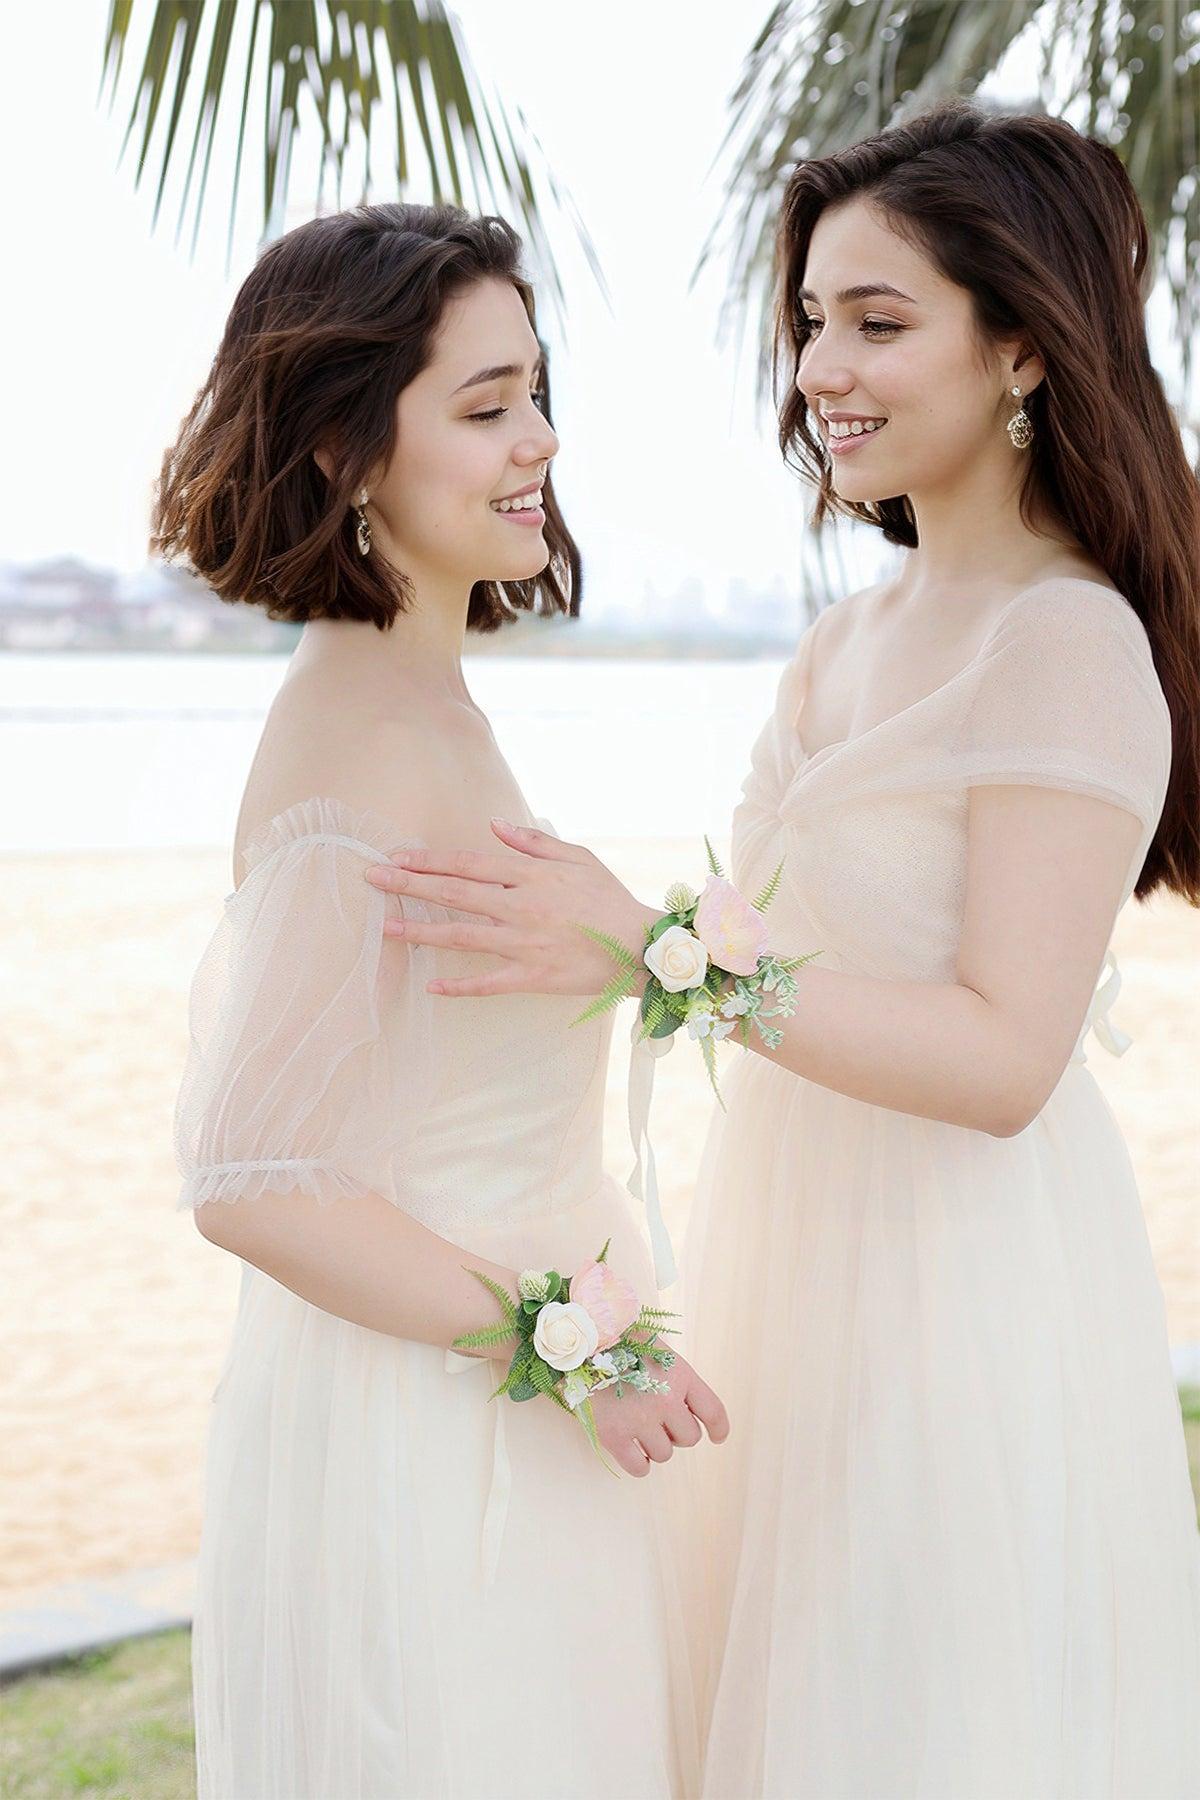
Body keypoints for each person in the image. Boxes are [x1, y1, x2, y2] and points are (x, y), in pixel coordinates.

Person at [361, 104, 1200, 1796]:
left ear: (1025, 345)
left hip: (962, 1289)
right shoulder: (845, 641)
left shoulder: (1069, 643)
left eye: (882, 323)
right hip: (784, 1256)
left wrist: (653, 946)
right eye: (814, 320)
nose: (825, 365)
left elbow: (1002, 1056)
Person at [161, 201, 728, 1800]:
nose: (538, 441)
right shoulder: (358, 731)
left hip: (498, 1407)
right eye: (485, 408)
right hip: (434, 1430)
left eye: (537, 393)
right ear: (346, 452)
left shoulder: (421, 696)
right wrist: (564, 1341)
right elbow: (253, 1176)